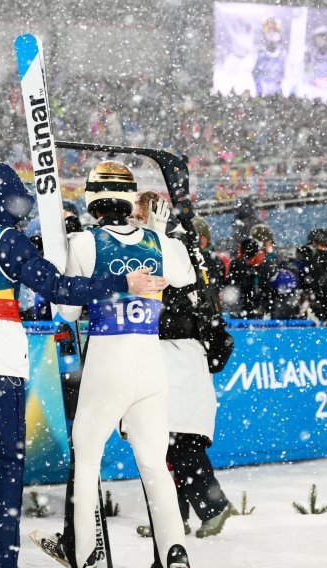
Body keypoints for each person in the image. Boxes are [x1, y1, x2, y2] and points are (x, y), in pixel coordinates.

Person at [0, 162, 167, 568]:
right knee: (6, 465)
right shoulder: (7, 240)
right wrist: (123, 283)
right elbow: (60, 288)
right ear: (3, 197)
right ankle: (0, 562)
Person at [56, 161, 195, 568]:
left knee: (87, 463)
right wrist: (165, 234)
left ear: (93, 200)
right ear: (131, 196)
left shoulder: (84, 243)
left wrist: (63, 256)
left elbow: (66, 311)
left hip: (107, 356)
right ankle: (175, 552)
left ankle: (87, 557)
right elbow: (187, 276)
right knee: (154, 464)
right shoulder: (158, 242)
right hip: (150, 357)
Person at [134, 202, 233, 565]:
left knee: (177, 441)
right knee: (166, 444)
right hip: (174, 354)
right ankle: (174, 519)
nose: (131, 222)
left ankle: (212, 505)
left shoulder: (172, 248)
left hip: (178, 355)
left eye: (136, 215)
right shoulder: (172, 246)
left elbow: (175, 293)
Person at [252, 17, 288, 97]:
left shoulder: (285, 55)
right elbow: (252, 75)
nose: (271, 33)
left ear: (280, 34)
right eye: (268, 31)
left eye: (275, 30)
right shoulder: (257, 54)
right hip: (260, 95)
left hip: (279, 97)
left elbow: (290, 78)